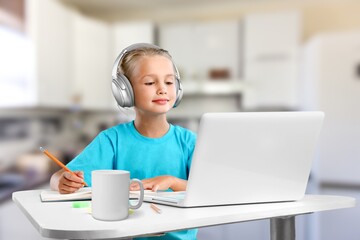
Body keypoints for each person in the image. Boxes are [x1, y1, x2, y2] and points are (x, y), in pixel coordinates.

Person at [49, 43, 198, 240]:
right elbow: (59, 177)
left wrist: (171, 181)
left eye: (169, 82)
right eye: (150, 83)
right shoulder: (111, 141)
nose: (162, 89)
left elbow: (213, 189)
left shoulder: (189, 142)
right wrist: (62, 182)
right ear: (124, 91)